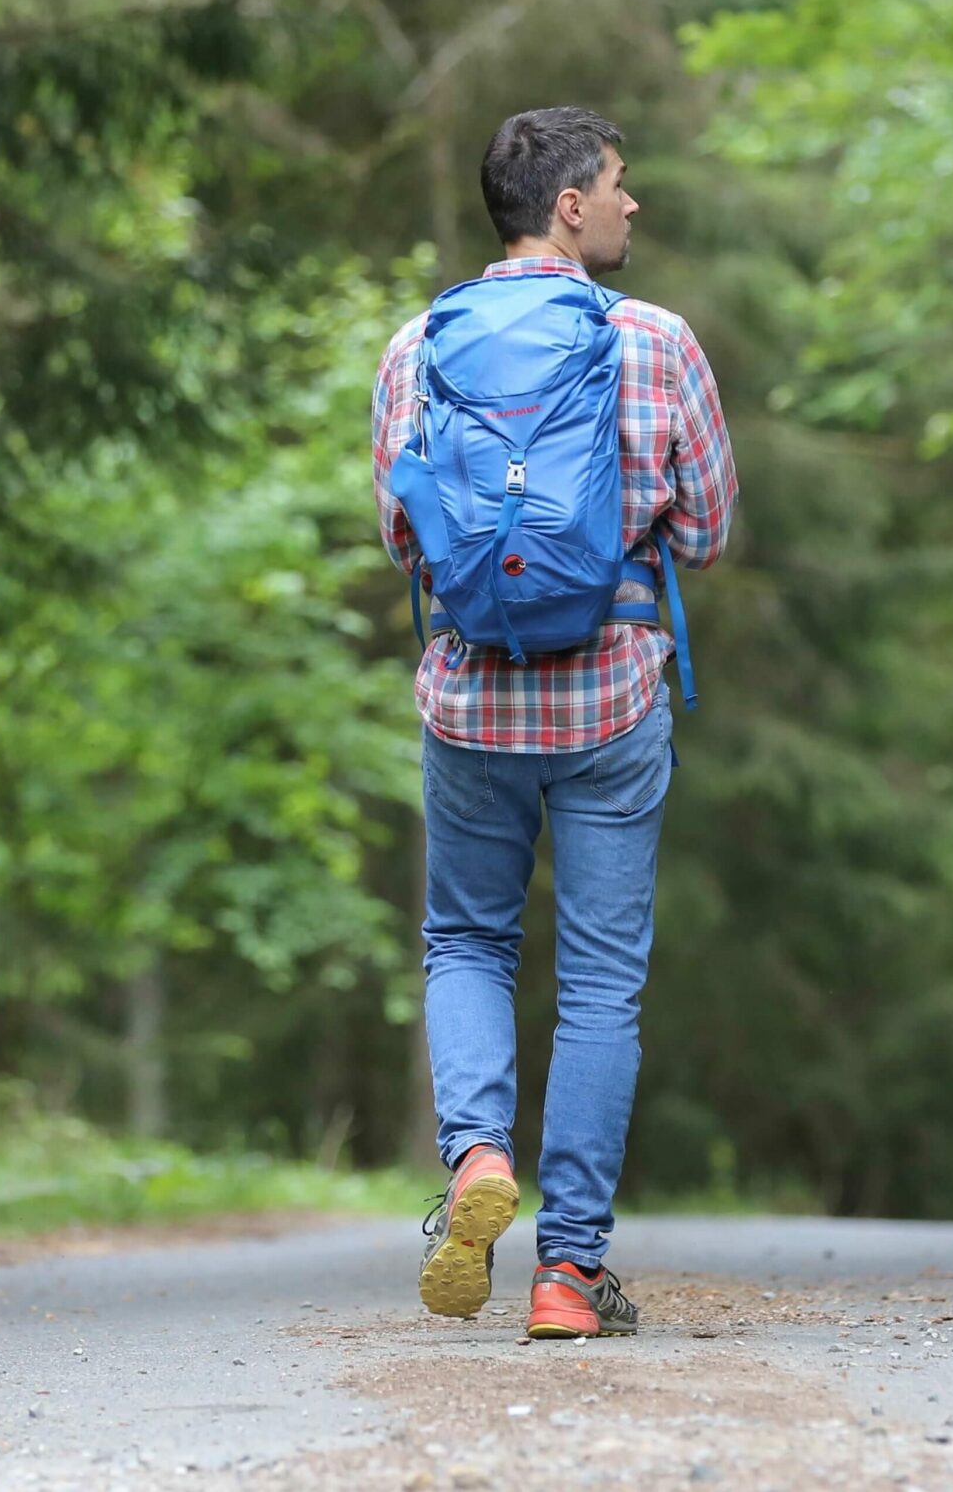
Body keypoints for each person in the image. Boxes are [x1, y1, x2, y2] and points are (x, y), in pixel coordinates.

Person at [372, 106, 737, 1339]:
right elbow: (709, 529)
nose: (634, 205)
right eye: (619, 186)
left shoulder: (417, 346)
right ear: (567, 207)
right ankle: (569, 1274)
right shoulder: (655, 341)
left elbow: (401, 534)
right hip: (611, 699)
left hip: (470, 699)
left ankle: (476, 1156)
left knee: (467, 942)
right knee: (597, 985)